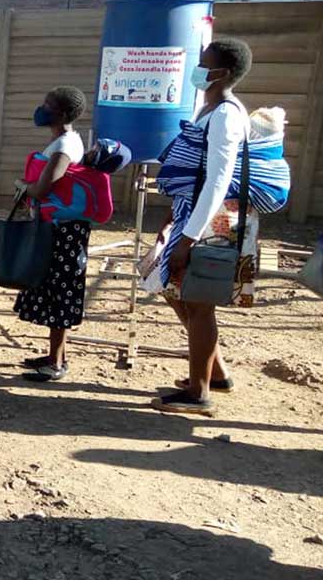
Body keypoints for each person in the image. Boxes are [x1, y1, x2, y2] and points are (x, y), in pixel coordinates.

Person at [150, 39, 256, 415]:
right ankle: (216, 374)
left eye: (204, 63)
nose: (197, 68)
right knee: (175, 292)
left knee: (198, 303)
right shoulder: (209, 110)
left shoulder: (226, 115)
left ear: (223, 73)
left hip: (211, 221)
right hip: (191, 214)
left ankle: (199, 395)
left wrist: (189, 240)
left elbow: (217, 181)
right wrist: (173, 220)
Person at [14, 86, 89, 382]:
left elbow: (44, 187)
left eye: (47, 105)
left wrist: (21, 185)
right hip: (57, 228)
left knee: (60, 291)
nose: (41, 108)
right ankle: (55, 355)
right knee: (53, 288)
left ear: (61, 113)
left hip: (63, 231)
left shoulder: (64, 146)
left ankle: (56, 363)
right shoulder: (62, 141)